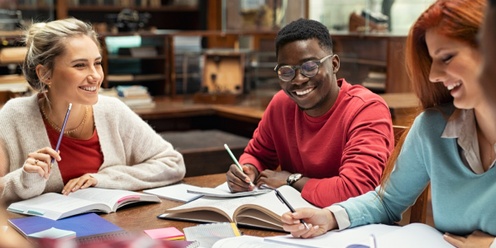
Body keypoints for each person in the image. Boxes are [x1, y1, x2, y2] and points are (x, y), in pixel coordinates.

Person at [281, 0, 496, 247]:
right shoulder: (432, 128)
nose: (433, 75)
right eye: (432, 60)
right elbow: (387, 201)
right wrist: (330, 217)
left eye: (446, 57)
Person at [0, 18, 186, 204]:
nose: (95, 76)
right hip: (35, 232)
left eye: (97, 63)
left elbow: (172, 163)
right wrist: (25, 180)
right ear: (45, 74)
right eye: (80, 65)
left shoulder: (112, 111)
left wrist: (104, 180)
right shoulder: (14, 116)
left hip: (114, 227)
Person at [226, 18, 394, 207]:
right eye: (286, 71)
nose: (298, 80)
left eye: (310, 67)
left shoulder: (366, 110)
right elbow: (257, 155)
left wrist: (292, 181)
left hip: (353, 229)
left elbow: (356, 190)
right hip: (295, 225)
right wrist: (249, 170)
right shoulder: (281, 105)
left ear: (334, 64)